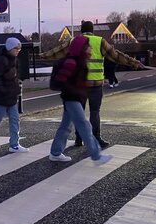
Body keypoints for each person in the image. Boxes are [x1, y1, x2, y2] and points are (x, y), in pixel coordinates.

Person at [41, 21, 145, 148]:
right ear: (93, 30)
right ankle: (96, 137)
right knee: (95, 112)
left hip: (79, 84)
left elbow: (56, 52)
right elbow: (116, 56)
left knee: (79, 113)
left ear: (81, 31)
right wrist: (134, 63)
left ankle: (79, 139)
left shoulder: (75, 41)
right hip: (96, 84)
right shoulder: (99, 41)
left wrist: (40, 55)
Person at [48, 36, 113, 164]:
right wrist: (75, 90)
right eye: (88, 46)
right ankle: (96, 156)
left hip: (73, 97)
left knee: (66, 126)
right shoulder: (72, 63)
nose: (90, 49)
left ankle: (55, 153)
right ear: (81, 48)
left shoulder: (79, 62)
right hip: (72, 98)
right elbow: (62, 81)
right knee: (84, 125)